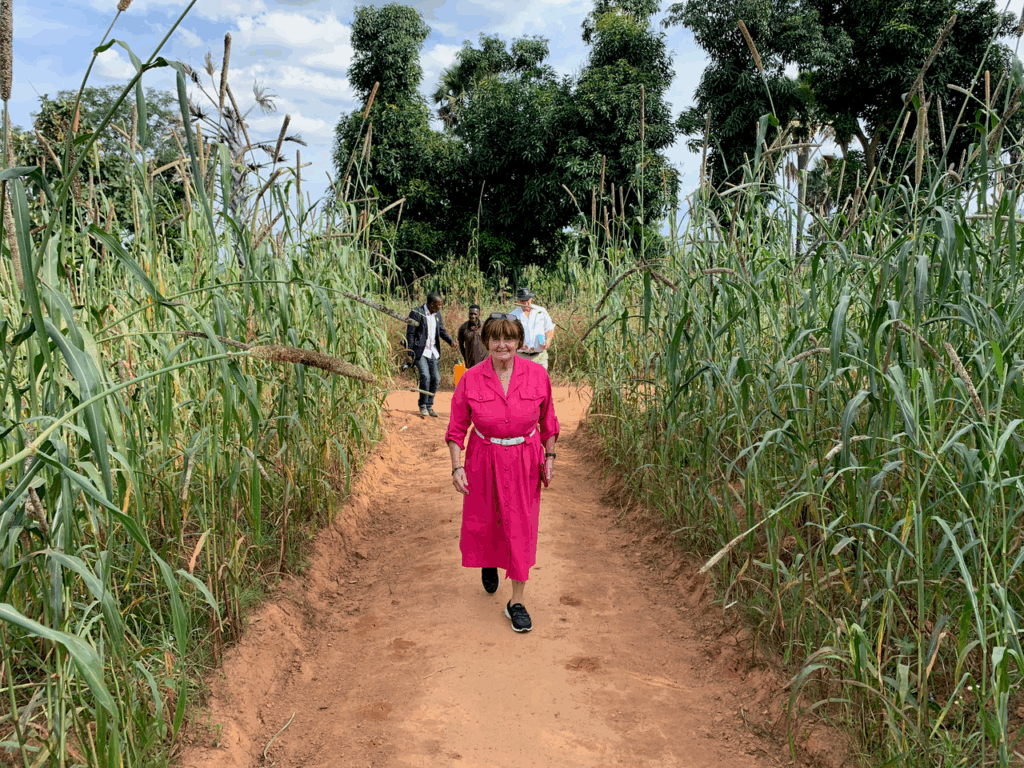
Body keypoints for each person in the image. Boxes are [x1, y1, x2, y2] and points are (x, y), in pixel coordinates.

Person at [445, 313, 559, 633]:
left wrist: (549, 457)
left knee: (521, 526)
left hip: (525, 458)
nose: (503, 345)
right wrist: (457, 466)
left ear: (519, 342)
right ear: (486, 343)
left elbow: (548, 424)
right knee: (486, 518)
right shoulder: (470, 378)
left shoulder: (537, 376)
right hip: (483, 457)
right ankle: (488, 559)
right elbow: (456, 430)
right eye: (495, 338)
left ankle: (517, 602)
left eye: (509, 338)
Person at [405, 292, 455, 418]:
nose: (441, 307)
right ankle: (422, 405)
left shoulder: (437, 314)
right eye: (439, 304)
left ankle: (429, 406)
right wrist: (409, 353)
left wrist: (451, 341)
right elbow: (410, 334)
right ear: (431, 304)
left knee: (436, 379)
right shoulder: (417, 313)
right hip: (420, 351)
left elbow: (441, 330)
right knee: (425, 376)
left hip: (433, 351)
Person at [509, 288, 555, 371]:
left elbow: (549, 328)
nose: (526, 303)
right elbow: (509, 335)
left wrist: (548, 341)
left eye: (528, 300)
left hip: (539, 356)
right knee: (523, 382)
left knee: (540, 381)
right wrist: (517, 344)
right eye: (523, 301)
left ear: (531, 299)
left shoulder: (541, 311)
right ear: (518, 301)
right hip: (521, 356)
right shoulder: (513, 316)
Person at [457, 304, 488, 369]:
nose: (473, 316)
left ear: (479, 314)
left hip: (485, 362)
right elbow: (461, 346)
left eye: (475, 314)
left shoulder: (486, 326)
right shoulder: (463, 328)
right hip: (471, 363)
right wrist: (466, 359)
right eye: (471, 314)